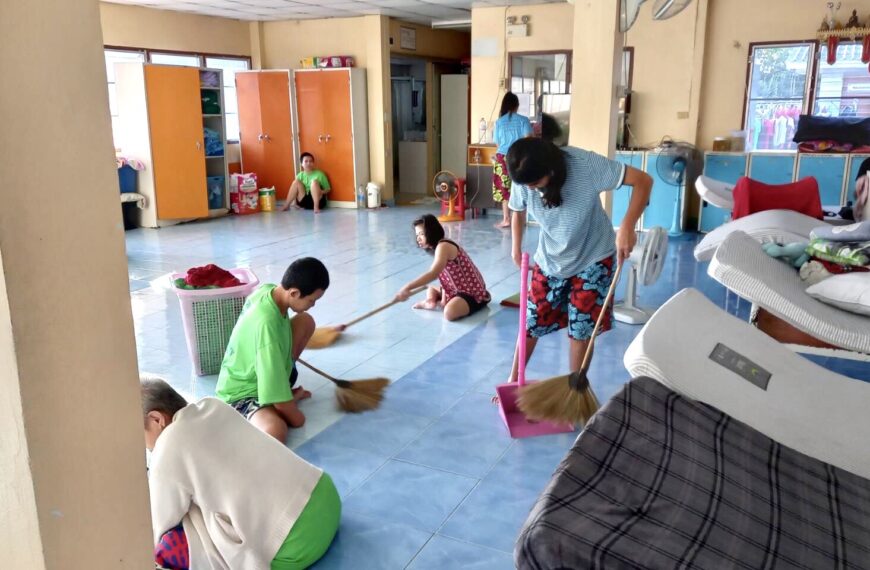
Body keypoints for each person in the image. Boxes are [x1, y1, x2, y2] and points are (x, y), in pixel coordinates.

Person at [143, 376, 340, 570]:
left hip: (293, 546)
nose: (145, 446)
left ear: (156, 419)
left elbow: (159, 523)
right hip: (325, 497)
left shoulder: (168, 446)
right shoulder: (212, 405)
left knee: (167, 544)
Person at [504, 137, 652, 385]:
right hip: (551, 259)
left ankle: (574, 389)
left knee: (581, 330)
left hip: (593, 257)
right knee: (531, 321)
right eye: (525, 185)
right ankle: (512, 381)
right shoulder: (524, 178)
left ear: (550, 169)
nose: (529, 188)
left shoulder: (584, 164)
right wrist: (515, 247)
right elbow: (517, 210)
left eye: (535, 183)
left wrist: (627, 226)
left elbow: (643, 181)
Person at [216, 257, 329, 441]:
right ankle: (273, 403)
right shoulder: (266, 325)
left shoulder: (269, 290)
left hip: (268, 373)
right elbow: (288, 411)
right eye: (311, 300)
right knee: (276, 431)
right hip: (242, 393)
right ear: (293, 292)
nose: (313, 305)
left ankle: (281, 392)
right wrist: (295, 415)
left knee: (305, 321)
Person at [395, 214, 491, 321]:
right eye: (417, 235)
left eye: (422, 234)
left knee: (449, 313)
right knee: (431, 289)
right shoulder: (437, 247)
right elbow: (444, 278)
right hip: (455, 289)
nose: (418, 238)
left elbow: (433, 273)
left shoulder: (443, 246)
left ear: (432, 232)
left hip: (471, 293)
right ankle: (430, 301)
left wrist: (407, 287)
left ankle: (440, 302)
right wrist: (443, 301)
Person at [492, 92, 532, 229]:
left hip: (502, 157)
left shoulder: (499, 122)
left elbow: (497, 143)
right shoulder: (523, 120)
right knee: (521, 186)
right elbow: (529, 138)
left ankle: (506, 219)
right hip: (519, 156)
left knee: (504, 189)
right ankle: (522, 218)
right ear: (516, 106)